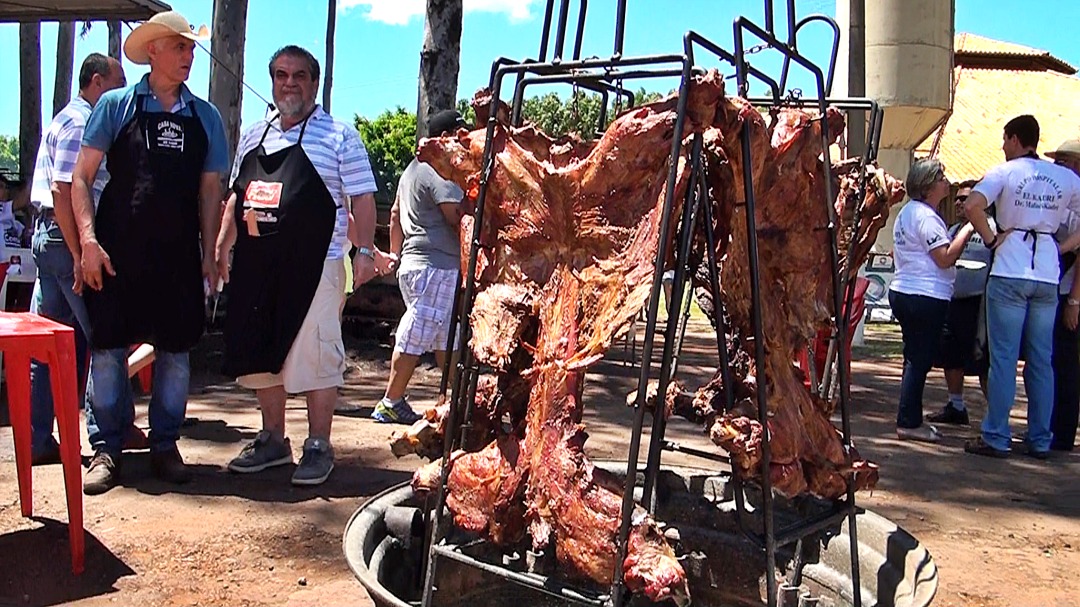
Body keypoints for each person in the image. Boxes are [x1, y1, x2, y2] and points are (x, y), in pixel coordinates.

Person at [71, 10, 229, 494]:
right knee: (108, 350)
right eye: (180, 47)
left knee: (176, 353)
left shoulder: (205, 116)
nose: (189, 56)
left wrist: (209, 252)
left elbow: (210, 191)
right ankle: (107, 449)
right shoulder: (116, 105)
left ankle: (164, 445)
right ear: (154, 50)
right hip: (117, 252)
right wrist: (88, 243)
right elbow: (80, 178)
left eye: (190, 48)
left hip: (178, 256)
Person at [217, 45, 386, 486]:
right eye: (281, 74)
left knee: (317, 355)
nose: (289, 83)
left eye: (299, 76)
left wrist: (365, 252)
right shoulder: (254, 134)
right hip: (257, 266)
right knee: (260, 353)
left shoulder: (338, 136)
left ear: (314, 82)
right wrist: (220, 247)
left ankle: (318, 445)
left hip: (318, 265)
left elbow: (363, 199)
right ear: (271, 80)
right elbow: (238, 196)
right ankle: (273, 439)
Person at [27, 53, 129, 466]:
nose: (122, 92)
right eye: (118, 82)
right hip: (63, 238)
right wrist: (78, 251)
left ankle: (37, 438)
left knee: (45, 344)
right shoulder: (81, 123)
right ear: (98, 81)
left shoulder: (66, 118)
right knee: (103, 337)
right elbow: (65, 189)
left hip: (49, 237)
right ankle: (104, 436)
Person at [963, 115, 1080, 459]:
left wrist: (990, 237)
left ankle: (997, 435)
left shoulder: (1005, 172)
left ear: (1015, 140)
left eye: (1005, 140)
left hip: (1011, 265)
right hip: (1046, 270)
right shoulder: (1064, 177)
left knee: (1003, 358)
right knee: (1042, 360)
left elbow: (972, 205)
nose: (1002, 146)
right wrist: (1063, 246)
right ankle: (1040, 437)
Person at [371, 109, 466, 424]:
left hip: (414, 264)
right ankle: (391, 401)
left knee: (445, 336)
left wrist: (395, 255)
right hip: (436, 265)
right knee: (419, 331)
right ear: (444, 137)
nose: (463, 140)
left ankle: (457, 402)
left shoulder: (411, 169)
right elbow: (455, 217)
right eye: (458, 134)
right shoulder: (440, 168)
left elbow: (396, 214)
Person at [888, 158, 974, 442]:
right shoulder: (925, 217)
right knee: (919, 359)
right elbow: (945, 258)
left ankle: (909, 416)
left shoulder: (908, 214)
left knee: (914, 357)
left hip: (907, 290)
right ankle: (909, 423)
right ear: (927, 186)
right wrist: (968, 229)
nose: (945, 181)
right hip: (924, 295)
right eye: (940, 177)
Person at [928, 180, 993, 425]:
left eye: (965, 199)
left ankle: (995, 414)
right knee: (950, 355)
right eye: (957, 198)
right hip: (952, 301)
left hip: (979, 305)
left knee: (983, 359)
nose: (959, 203)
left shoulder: (992, 229)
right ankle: (956, 405)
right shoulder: (953, 230)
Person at [1046, 139, 1080, 452]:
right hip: (1056, 288)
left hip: (1069, 292)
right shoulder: (1062, 198)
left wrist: (1073, 300)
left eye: (1065, 161)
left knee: (1067, 364)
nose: (1060, 167)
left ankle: (1063, 433)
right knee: (1054, 361)